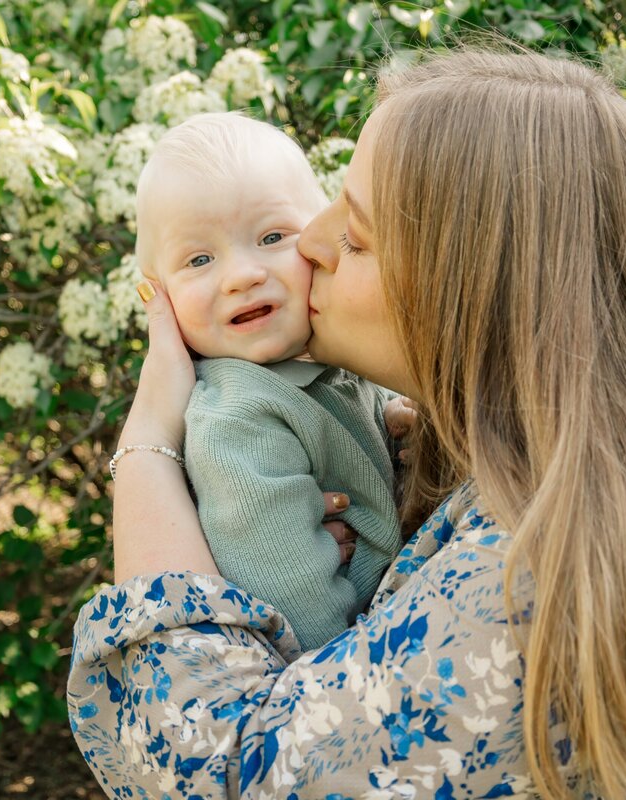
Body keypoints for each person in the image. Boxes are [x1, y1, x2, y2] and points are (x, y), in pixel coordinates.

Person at [68, 47, 626, 799]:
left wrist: (148, 449)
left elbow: (217, 770)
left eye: (353, 237)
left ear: (473, 294)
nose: (306, 247)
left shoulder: (540, 570)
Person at [126, 112, 407, 652]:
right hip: (345, 672)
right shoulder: (236, 418)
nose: (242, 275)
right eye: (199, 259)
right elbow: (300, 607)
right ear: (158, 294)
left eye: (273, 236)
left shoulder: (329, 359)